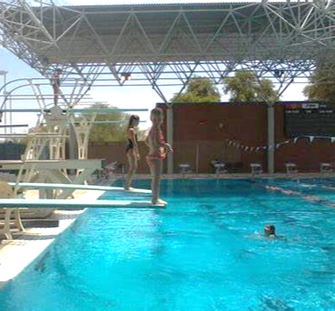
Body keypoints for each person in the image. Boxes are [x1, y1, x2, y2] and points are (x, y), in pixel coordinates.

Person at [145, 108, 173, 205]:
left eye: (159, 120)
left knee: (155, 179)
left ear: (162, 119)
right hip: (155, 157)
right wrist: (167, 146)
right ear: (151, 119)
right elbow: (157, 143)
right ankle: (155, 200)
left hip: (150, 156)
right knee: (157, 179)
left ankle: (155, 198)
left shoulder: (151, 129)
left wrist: (152, 147)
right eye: (154, 120)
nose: (157, 122)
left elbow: (146, 141)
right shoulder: (156, 129)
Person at [124, 115, 140, 190]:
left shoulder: (129, 129)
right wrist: (137, 153)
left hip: (129, 148)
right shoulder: (131, 130)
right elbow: (134, 142)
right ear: (133, 121)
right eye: (137, 121)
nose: (138, 123)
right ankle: (127, 185)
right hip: (131, 148)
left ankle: (127, 185)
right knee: (133, 167)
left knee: (133, 167)